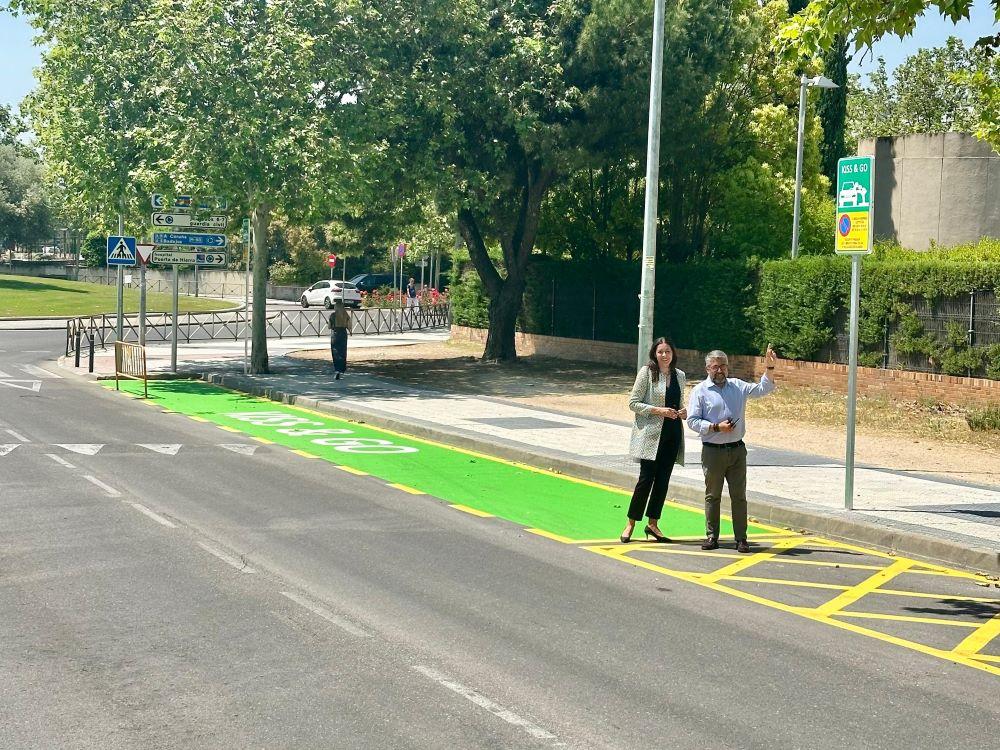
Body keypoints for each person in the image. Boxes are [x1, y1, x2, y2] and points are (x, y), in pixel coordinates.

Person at [686, 347, 778, 553]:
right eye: (715, 366)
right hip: (713, 451)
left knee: (739, 496)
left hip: (737, 450)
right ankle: (712, 536)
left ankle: (741, 539)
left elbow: (763, 389)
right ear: (707, 368)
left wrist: (770, 367)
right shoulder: (700, 391)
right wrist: (716, 427)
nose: (720, 370)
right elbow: (692, 421)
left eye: (723, 366)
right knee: (713, 496)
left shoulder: (737, 386)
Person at [622, 337, 687, 544]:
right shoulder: (647, 373)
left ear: (673, 353)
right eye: (661, 352)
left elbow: (679, 402)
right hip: (651, 436)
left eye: (668, 351)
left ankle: (653, 523)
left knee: (663, 481)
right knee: (645, 480)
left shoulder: (680, 376)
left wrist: (684, 412)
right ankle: (630, 523)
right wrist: (658, 411)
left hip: (672, 433)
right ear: (654, 353)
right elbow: (633, 403)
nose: (664, 355)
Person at [329, 300, 351, 380]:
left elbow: (329, 326)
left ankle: (337, 370)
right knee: (343, 351)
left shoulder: (333, 315)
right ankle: (342, 369)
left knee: (335, 351)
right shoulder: (346, 315)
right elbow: (349, 326)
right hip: (343, 333)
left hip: (335, 333)